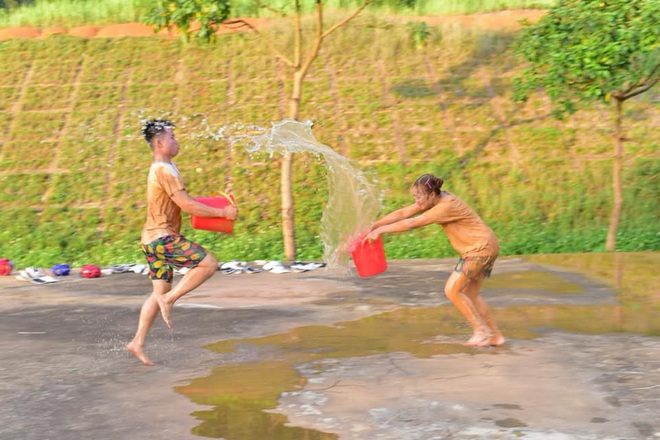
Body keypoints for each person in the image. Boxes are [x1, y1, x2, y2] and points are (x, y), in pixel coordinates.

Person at [126, 119, 238, 366]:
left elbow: (186, 200)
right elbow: (186, 205)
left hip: (150, 241)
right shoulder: (164, 170)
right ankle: (170, 299)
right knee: (208, 264)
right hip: (162, 238)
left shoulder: (164, 167)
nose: (176, 141)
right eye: (172, 137)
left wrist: (215, 206)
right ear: (158, 143)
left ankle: (138, 342)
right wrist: (222, 213)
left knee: (157, 294)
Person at [364, 173, 505, 347]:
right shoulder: (437, 198)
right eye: (415, 197)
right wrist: (374, 225)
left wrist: (381, 231)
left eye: (419, 197)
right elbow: (404, 213)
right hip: (486, 246)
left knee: (452, 290)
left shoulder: (445, 207)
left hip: (480, 249)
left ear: (432, 195)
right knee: (471, 294)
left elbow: (412, 223)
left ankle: (481, 331)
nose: (417, 202)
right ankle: (495, 336)